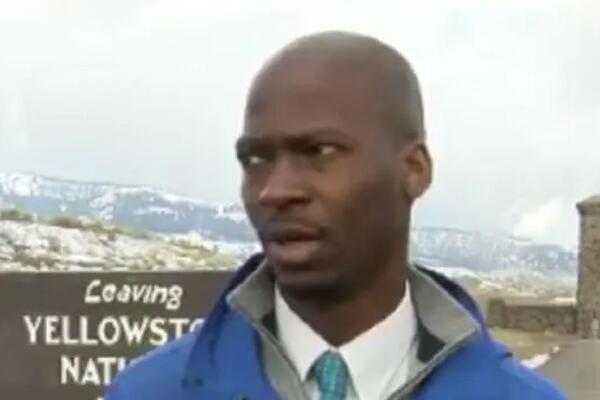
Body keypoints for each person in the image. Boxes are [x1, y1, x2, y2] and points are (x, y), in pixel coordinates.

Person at [104, 31, 566, 400]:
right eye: (255, 159)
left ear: (414, 170)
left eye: (319, 151)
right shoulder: (148, 393)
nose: (275, 190)